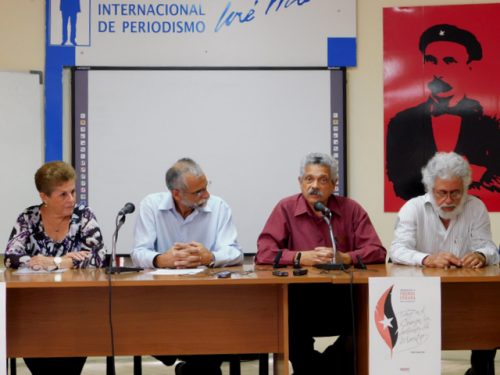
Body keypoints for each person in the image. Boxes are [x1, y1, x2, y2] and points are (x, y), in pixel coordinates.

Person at [255, 152, 386, 375]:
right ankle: (314, 369)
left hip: (343, 298)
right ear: (300, 182)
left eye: (322, 180)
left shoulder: (351, 209)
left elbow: (378, 252)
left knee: (368, 320)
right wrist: (299, 257)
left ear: (334, 184)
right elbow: (264, 253)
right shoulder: (285, 209)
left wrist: (345, 258)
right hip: (299, 298)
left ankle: (321, 368)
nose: (314, 186)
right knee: (286, 318)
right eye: (309, 179)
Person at [390, 152, 499, 375]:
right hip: (419, 294)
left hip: (466, 291)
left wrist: (480, 255)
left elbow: (490, 248)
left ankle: (480, 368)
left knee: (488, 314)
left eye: (455, 193)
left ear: (465, 188)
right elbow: (397, 250)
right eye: (442, 193)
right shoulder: (413, 208)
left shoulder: (475, 207)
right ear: (431, 188)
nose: (448, 200)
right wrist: (427, 259)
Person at [131, 157, 243, 375]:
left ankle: (192, 365)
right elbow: (138, 253)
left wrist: (210, 256)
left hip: (208, 297)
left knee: (212, 339)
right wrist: (162, 259)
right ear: (176, 193)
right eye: (198, 192)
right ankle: (181, 358)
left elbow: (235, 252)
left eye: (206, 187)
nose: (206, 195)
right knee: (145, 327)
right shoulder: (151, 206)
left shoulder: (219, 207)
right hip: (161, 297)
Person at [4, 161, 106, 375]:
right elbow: (11, 257)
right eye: (63, 195)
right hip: (35, 310)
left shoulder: (83, 216)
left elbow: (98, 256)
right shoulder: (28, 218)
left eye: (73, 191)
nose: (71, 199)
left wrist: (56, 262)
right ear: (44, 197)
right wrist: (61, 260)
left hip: (76, 309)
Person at [386, 23, 499, 201]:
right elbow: (398, 185)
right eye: (431, 60)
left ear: (469, 68)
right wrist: (470, 174)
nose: (438, 72)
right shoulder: (401, 123)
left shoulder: (491, 123)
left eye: (449, 61)